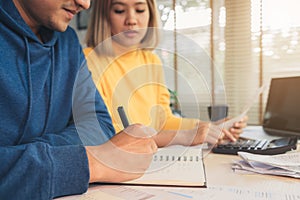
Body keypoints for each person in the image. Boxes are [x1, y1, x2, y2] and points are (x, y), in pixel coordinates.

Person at [0, 0, 158, 199]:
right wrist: (93, 162)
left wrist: (19, 160)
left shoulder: (68, 42)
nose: (85, 3)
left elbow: (99, 126)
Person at [84, 0, 248, 147]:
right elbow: (107, 133)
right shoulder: (88, 60)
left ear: (150, 14)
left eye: (140, 10)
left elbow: (163, 120)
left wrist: (208, 128)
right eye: (119, 10)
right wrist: (183, 136)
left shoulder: (151, 60)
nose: (132, 20)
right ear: (104, 16)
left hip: (151, 155)